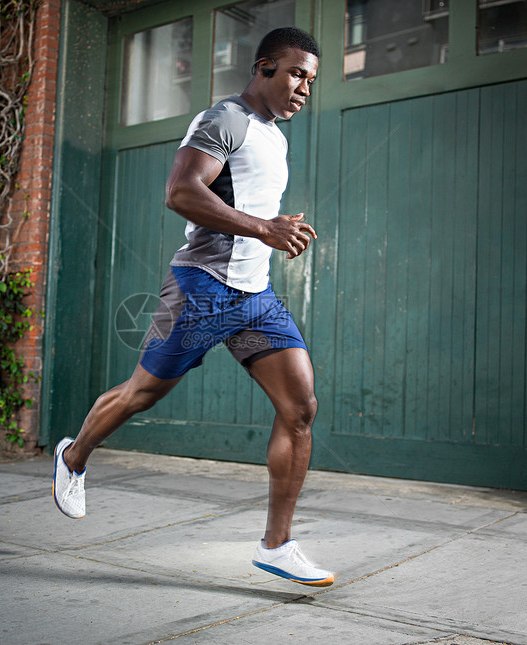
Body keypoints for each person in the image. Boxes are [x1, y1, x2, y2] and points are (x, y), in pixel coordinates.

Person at [52, 27, 333, 587]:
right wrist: (263, 227)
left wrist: (270, 232)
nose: (304, 87)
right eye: (297, 73)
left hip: (255, 298)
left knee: (300, 408)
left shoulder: (275, 137)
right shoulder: (225, 118)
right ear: (264, 67)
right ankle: (73, 456)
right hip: (200, 288)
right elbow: (180, 191)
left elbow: (249, 205)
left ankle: (277, 545)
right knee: (143, 393)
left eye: (311, 79)